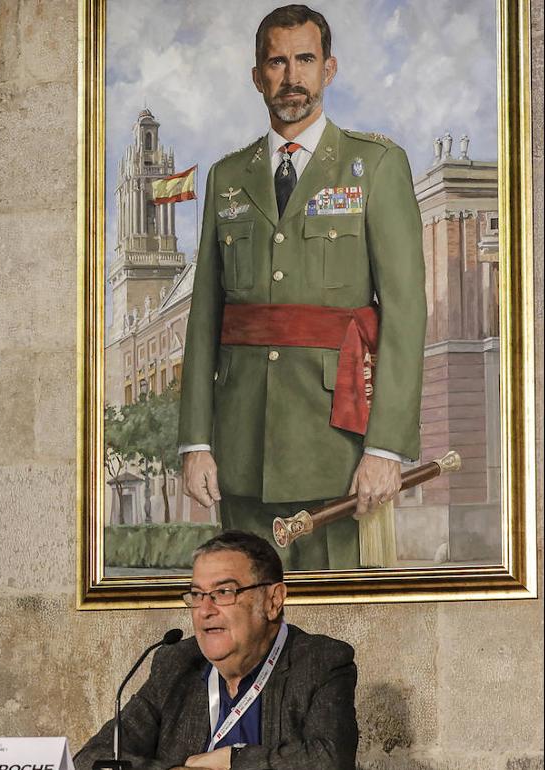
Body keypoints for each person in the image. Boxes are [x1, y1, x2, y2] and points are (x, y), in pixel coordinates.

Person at [178, 4, 426, 570]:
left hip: (335, 449)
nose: (291, 77)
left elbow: (405, 313)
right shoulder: (226, 177)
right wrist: (196, 442)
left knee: (335, 624)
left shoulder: (376, 165)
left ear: (329, 69)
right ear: (257, 76)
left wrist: (385, 449)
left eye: (305, 60)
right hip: (241, 447)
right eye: (277, 62)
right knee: (249, 616)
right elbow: (204, 321)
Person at [74, 531, 357, 770]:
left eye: (224, 592)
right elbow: (93, 758)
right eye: (197, 595)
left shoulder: (320, 663)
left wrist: (234, 761)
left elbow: (329, 760)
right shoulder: (176, 664)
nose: (205, 611)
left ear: (273, 600)